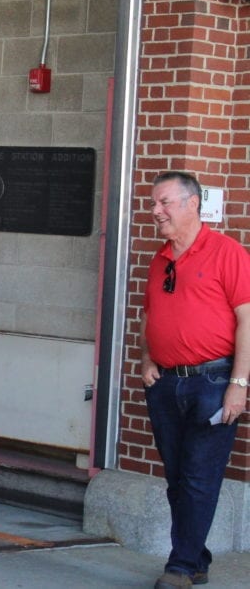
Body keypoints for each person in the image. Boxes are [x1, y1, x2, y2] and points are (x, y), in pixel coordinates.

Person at [139, 171, 250, 589]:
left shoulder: (227, 253)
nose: (155, 212)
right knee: (178, 479)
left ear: (192, 204)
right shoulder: (160, 258)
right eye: (153, 203)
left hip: (213, 382)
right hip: (166, 384)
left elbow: (247, 319)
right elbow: (149, 316)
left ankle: (181, 567)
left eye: (164, 203)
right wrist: (147, 357)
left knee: (200, 479)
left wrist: (238, 384)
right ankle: (196, 558)